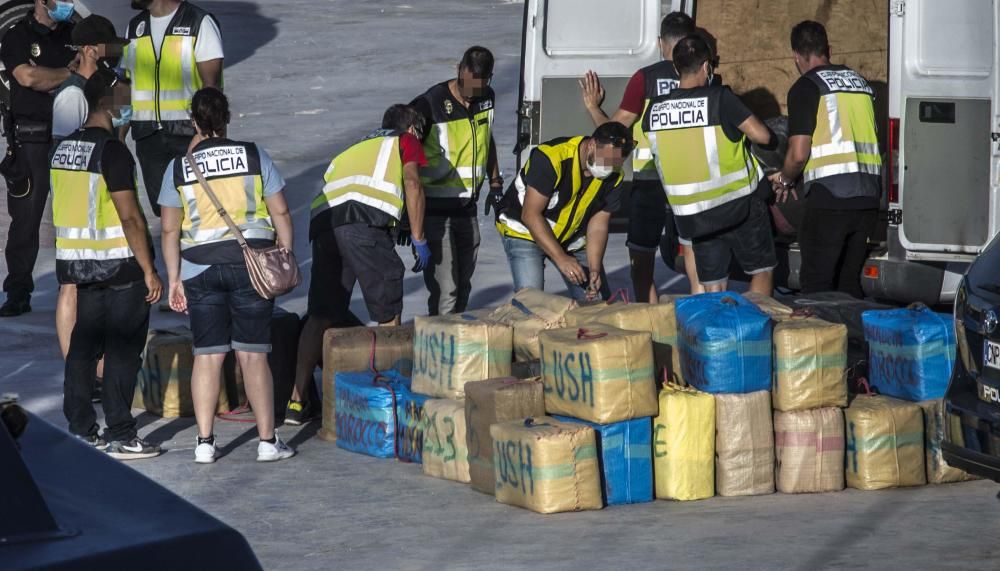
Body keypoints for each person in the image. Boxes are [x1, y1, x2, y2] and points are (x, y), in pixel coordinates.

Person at [159, 88, 295, 464]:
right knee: (253, 356)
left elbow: (170, 230)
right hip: (251, 265)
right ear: (227, 117)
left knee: (207, 357)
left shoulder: (178, 168)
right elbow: (281, 212)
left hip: (199, 269)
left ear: (194, 122)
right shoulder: (253, 155)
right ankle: (268, 442)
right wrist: (284, 252)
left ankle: (204, 443)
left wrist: (174, 279)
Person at [284, 104, 430, 425]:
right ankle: (388, 400)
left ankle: (297, 401)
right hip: (361, 222)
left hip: (324, 223)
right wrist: (419, 236)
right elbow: (413, 183)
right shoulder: (404, 141)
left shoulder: (356, 146)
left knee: (322, 313)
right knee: (388, 309)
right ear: (411, 129)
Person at [53, 69, 162, 459]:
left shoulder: (63, 148)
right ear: (109, 102)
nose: (129, 109)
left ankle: (81, 428)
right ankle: (121, 432)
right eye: (125, 100)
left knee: (83, 346)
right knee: (121, 351)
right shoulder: (112, 151)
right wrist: (149, 269)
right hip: (119, 266)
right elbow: (130, 216)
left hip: (79, 265)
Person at [579, 12, 704, 301]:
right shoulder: (703, 76)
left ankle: (649, 322)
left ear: (661, 42)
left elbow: (614, 131)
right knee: (694, 252)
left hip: (651, 181)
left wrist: (592, 106)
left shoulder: (645, 78)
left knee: (642, 257)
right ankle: (701, 314)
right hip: (693, 181)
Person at [642, 35, 778, 295]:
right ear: (707, 66)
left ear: (675, 68)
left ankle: (718, 334)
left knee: (713, 284)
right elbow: (763, 136)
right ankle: (755, 331)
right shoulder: (719, 98)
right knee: (761, 271)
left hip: (695, 215)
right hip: (740, 205)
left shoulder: (655, 111)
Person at [769, 21, 882, 298]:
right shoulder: (860, 83)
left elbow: (798, 153)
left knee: (817, 285)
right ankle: (851, 339)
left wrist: (784, 179)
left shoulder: (806, 87)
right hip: (868, 198)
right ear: (828, 49)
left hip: (830, 198)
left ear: (796, 56)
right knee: (848, 284)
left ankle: (820, 341)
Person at [52, 15, 130, 401]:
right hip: (76, 199)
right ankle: (76, 370)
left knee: (94, 287)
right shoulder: (71, 95)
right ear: (88, 51)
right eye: (107, 47)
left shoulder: (98, 89)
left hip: (98, 197)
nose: (112, 54)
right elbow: (67, 151)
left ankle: (94, 371)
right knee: (71, 284)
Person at [494, 122, 631, 301]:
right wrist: (561, 258)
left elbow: (598, 224)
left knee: (595, 303)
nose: (607, 168)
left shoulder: (614, 177)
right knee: (532, 302)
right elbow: (530, 214)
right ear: (591, 144)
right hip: (525, 231)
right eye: (605, 158)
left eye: (615, 163)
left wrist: (594, 268)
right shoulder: (551, 158)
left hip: (570, 239)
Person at [0, 0, 77, 317]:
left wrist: (52, 76)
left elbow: (94, 72)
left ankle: (73, 288)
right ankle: (18, 292)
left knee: (73, 218)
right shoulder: (17, 36)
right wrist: (69, 73)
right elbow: (28, 78)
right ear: (41, 2)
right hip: (31, 137)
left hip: (72, 136)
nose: (68, 4)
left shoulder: (76, 33)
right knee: (26, 221)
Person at [410, 46, 500, 315]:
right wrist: (409, 219)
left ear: (489, 79)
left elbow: (486, 138)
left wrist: (495, 182)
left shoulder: (487, 98)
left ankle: (455, 346)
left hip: (467, 209)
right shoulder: (428, 105)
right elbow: (404, 156)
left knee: (463, 289)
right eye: (466, 86)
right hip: (435, 212)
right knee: (445, 293)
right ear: (459, 70)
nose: (471, 95)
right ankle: (438, 354)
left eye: (478, 89)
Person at [123, 0, 223, 217]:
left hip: (189, 134)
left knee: (200, 208)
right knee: (164, 211)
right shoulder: (134, 27)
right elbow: (126, 85)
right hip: (147, 136)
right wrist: (117, 136)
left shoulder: (199, 22)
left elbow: (211, 89)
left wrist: (207, 135)